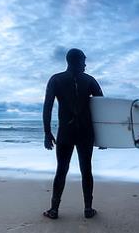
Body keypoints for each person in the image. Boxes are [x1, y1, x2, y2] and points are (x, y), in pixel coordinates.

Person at [42, 48, 103, 219]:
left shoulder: (56, 79)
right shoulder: (90, 80)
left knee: (61, 170)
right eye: (83, 60)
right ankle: (88, 209)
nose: (85, 64)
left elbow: (47, 108)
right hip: (85, 132)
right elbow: (103, 108)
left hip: (65, 133)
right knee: (86, 170)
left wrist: (47, 133)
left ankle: (54, 210)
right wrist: (104, 136)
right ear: (75, 61)